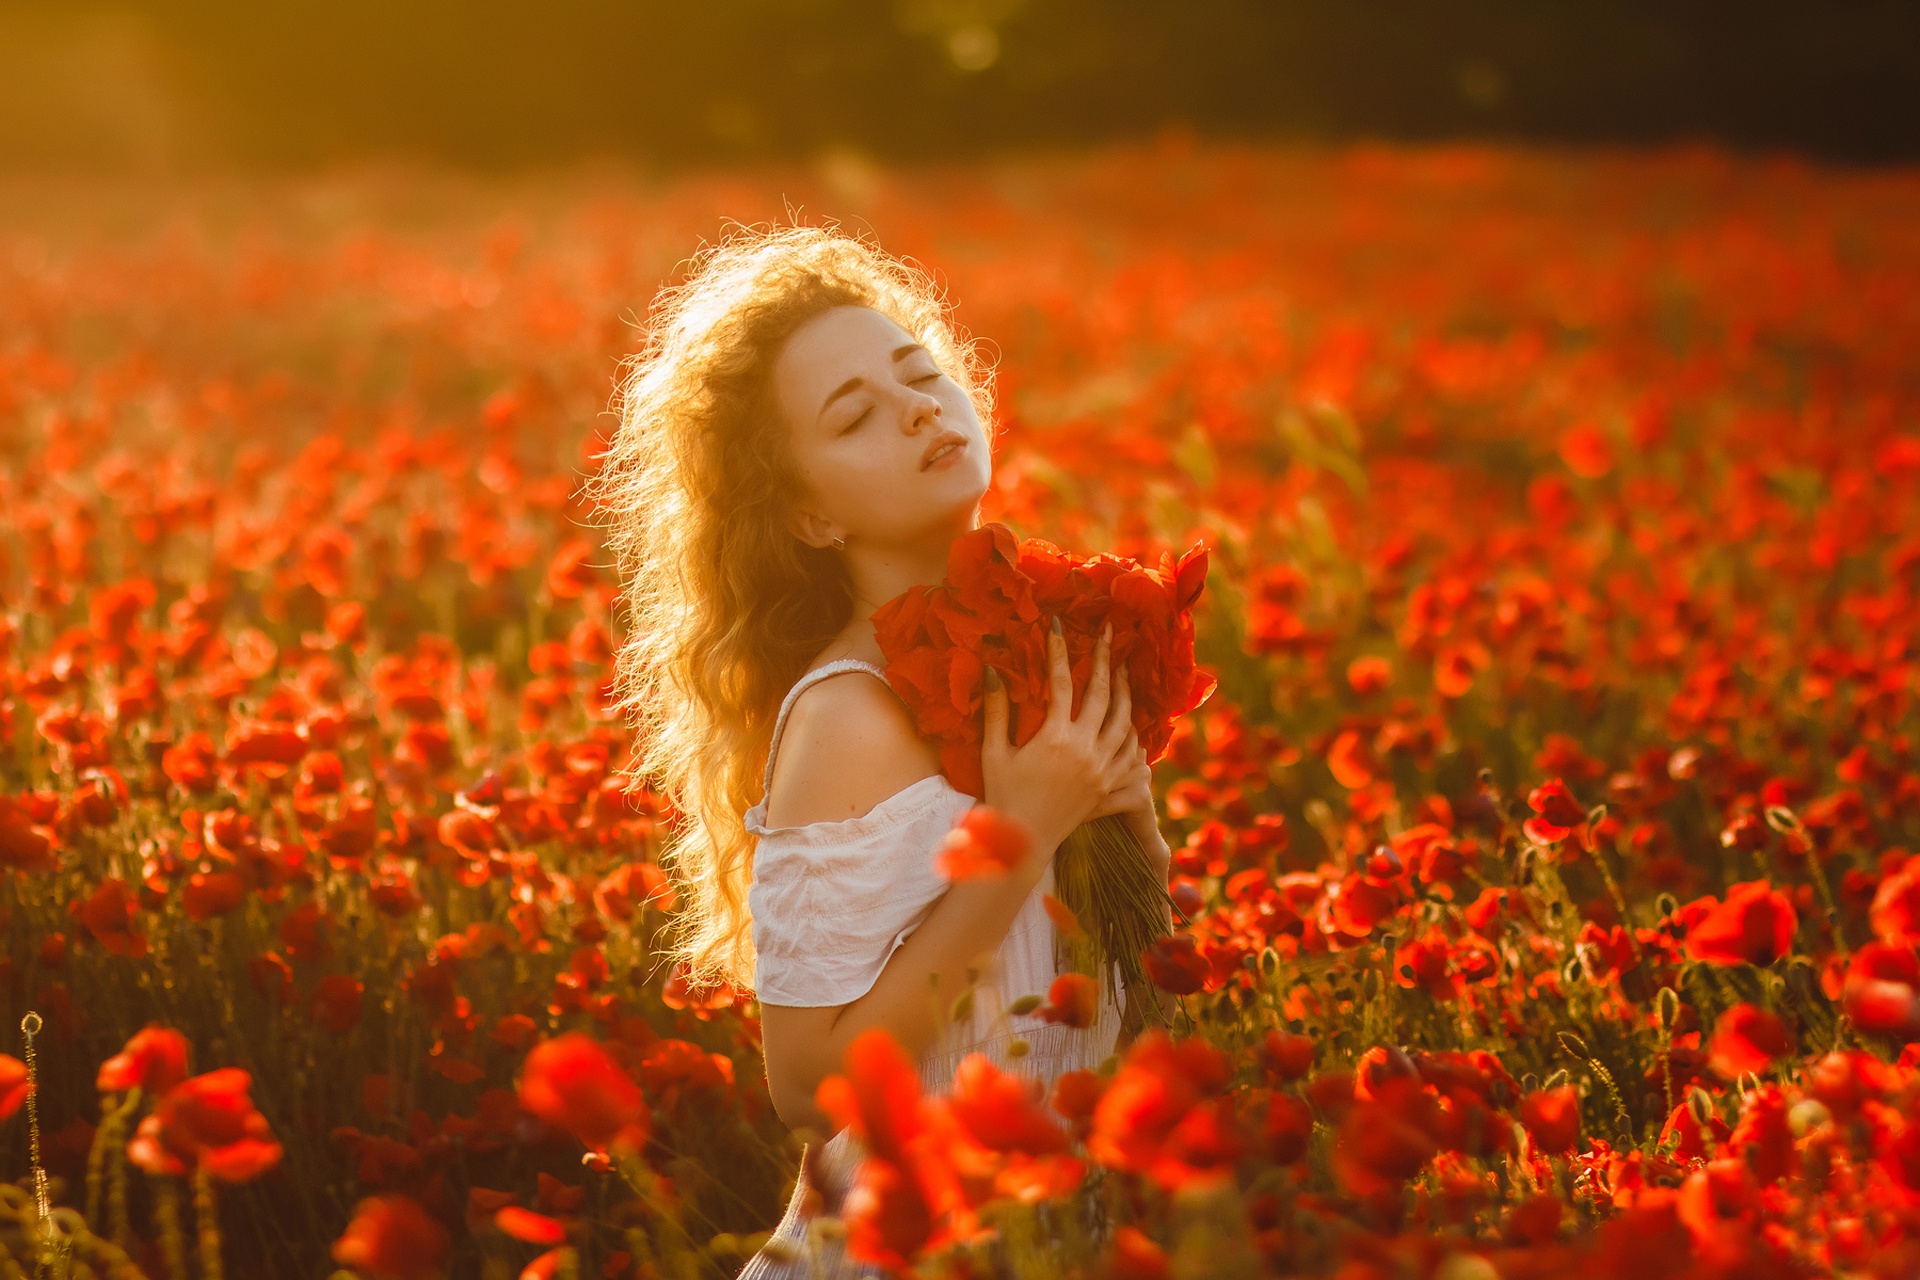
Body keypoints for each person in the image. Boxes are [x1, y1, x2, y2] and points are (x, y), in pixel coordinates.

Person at [591, 225, 1171, 1277]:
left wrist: (1128, 817)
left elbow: (1129, 960)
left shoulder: (1046, 646)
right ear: (809, 514)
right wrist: (1023, 830)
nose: (915, 406)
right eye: (854, 415)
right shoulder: (846, 716)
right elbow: (810, 1084)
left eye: (920, 373)